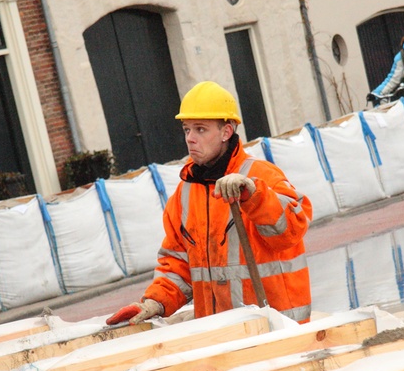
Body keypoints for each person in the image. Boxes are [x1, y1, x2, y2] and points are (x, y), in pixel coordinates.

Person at [106, 81, 312, 325]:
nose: (190, 139)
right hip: (220, 333)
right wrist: (155, 302)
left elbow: (293, 228)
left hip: (276, 328)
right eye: (186, 130)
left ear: (226, 132)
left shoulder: (261, 176)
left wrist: (254, 195)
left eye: (200, 129)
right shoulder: (185, 194)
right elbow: (179, 264)